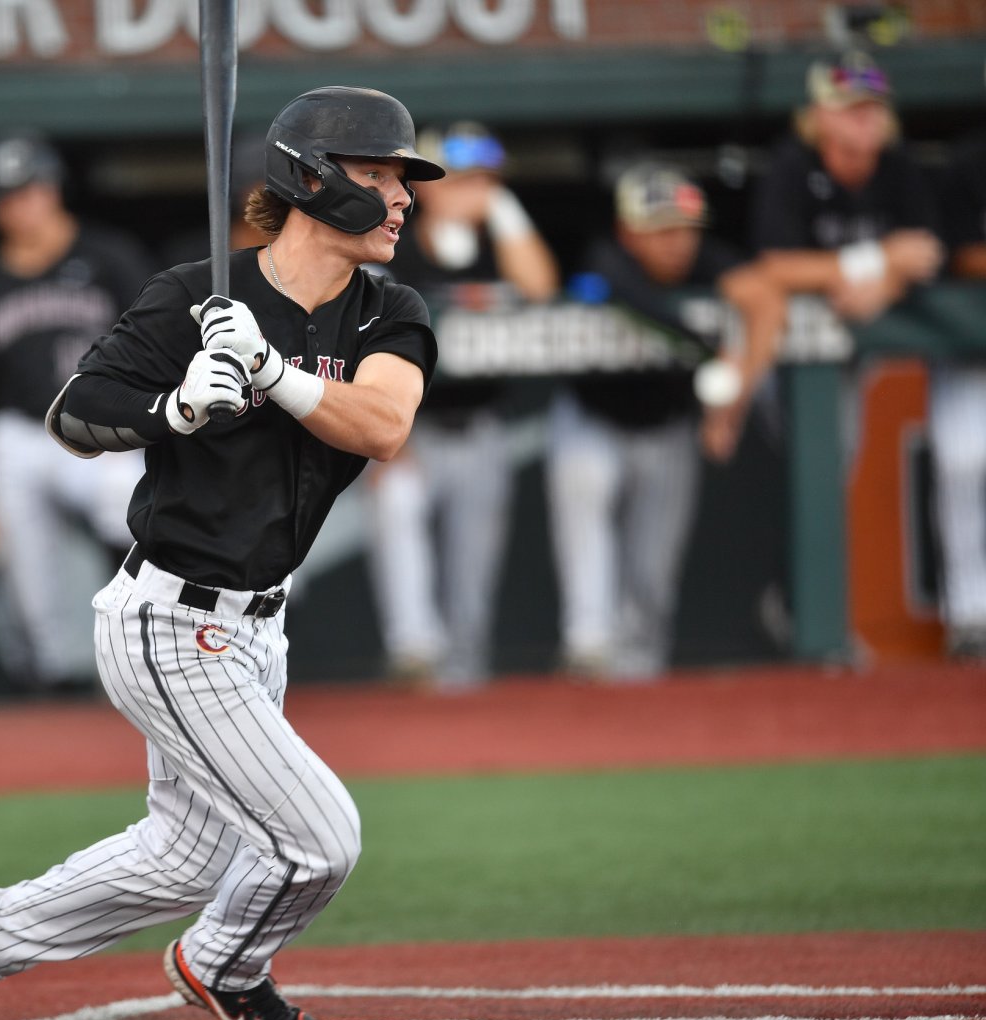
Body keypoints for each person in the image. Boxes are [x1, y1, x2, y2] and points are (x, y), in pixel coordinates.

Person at [0, 85, 442, 1020]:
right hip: (166, 621)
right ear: (313, 182)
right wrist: (177, 408)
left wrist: (271, 373)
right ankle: (224, 966)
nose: (403, 199)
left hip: (261, 627)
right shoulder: (195, 295)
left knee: (187, 859)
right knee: (320, 839)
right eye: (381, 178)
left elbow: (384, 425)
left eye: (405, 181)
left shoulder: (389, 309)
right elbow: (73, 414)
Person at [546, 164, 785, 680]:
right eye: (662, 230)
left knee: (654, 565)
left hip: (667, 423)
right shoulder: (604, 260)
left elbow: (766, 302)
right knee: (583, 493)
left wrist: (735, 394)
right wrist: (707, 349)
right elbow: (631, 300)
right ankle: (588, 646)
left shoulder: (705, 261)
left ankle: (641, 673)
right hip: (594, 416)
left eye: (686, 230)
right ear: (631, 231)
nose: (678, 243)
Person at [0, 130, 154, 694]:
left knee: (125, 501)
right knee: (27, 574)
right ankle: (48, 671)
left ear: (54, 189)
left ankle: (140, 633)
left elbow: (159, 346)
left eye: (32, 189)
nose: (24, 205)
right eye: (10, 197)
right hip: (19, 434)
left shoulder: (110, 258)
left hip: (99, 416)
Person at [365, 121, 558, 686]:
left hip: (480, 420)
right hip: (411, 427)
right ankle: (414, 652)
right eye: (458, 177)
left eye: (483, 179)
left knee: (474, 565)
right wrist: (388, 435)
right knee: (398, 507)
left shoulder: (500, 243)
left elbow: (542, 287)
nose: (471, 189)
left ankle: (465, 679)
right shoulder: (393, 240)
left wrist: (504, 211)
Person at [751, 51, 942, 324]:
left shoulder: (898, 161)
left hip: (893, 330)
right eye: (851, 108)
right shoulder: (793, 163)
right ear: (819, 114)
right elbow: (775, 267)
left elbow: (925, 253)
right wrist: (881, 257)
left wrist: (887, 285)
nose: (866, 117)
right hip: (802, 332)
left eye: (874, 106)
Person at [931, 130, 986, 659]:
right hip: (971, 351)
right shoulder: (968, 165)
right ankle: (971, 616)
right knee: (960, 467)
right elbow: (962, 257)